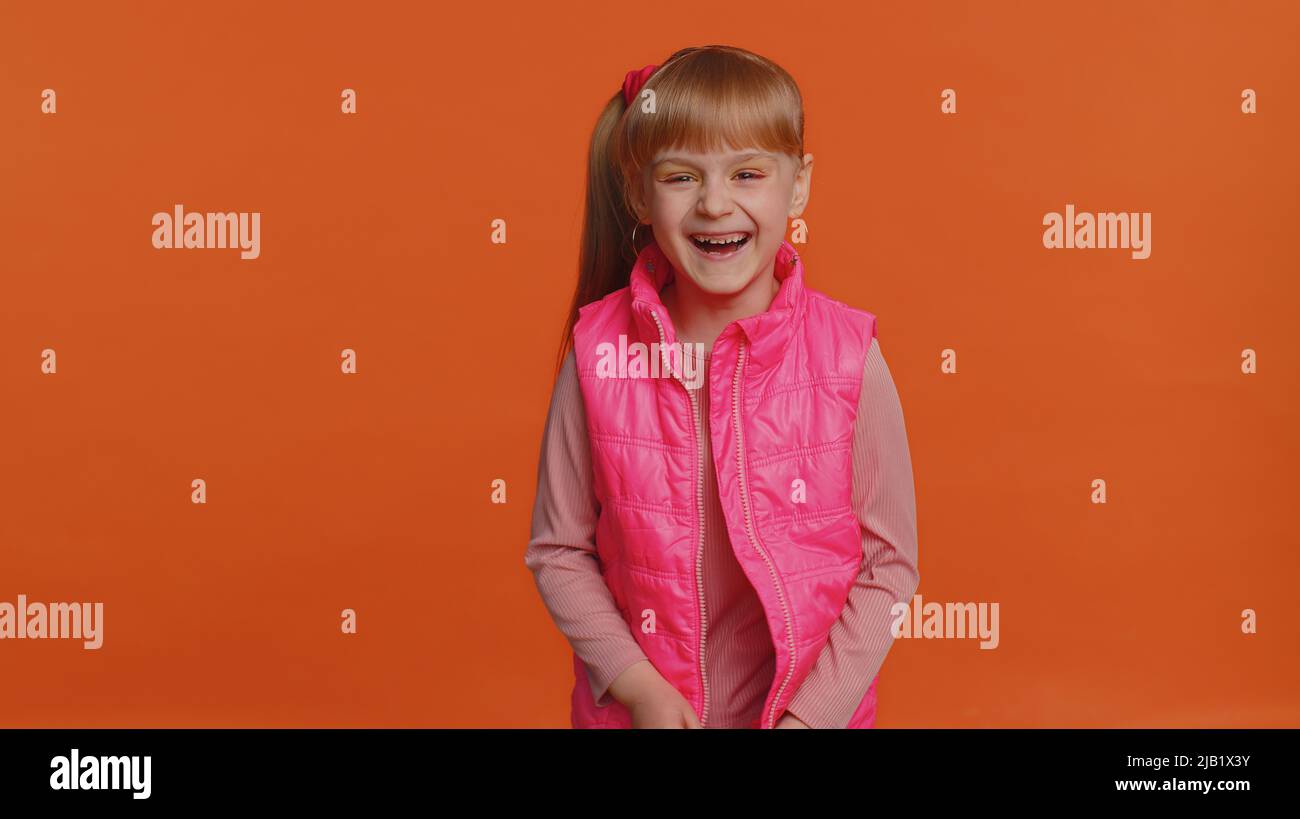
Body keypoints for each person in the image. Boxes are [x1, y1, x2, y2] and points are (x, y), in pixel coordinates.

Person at [525, 45, 919, 728]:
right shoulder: (598, 356)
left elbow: (890, 569)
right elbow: (559, 551)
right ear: (638, 193)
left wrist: (811, 717)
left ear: (798, 187)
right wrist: (637, 685)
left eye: (747, 173)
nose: (714, 203)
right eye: (682, 177)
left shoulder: (851, 358)